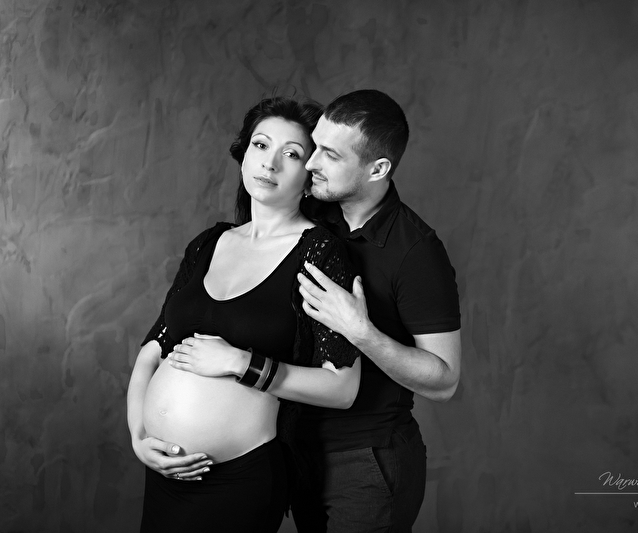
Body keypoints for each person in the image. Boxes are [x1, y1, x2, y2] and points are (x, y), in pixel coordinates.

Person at [126, 96, 362, 533]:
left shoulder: (319, 253)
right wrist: (139, 436)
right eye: (261, 145)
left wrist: (241, 363)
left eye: (292, 154)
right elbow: (153, 348)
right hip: (163, 476)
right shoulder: (208, 244)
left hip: (239, 482)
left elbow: (343, 388)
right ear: (244, 153)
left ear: (309, 176)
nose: (270, 163)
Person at [292, 89, 462, 531]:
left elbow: (445, 381)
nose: (311, 163)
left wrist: (360, 331)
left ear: (378, 169)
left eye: (331, 154)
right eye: (314, 146)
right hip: (299, 453)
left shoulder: (416, 251)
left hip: (367, 462)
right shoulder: (311, 215)